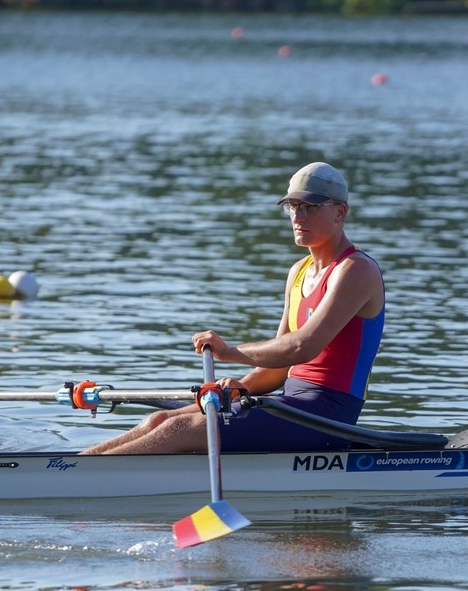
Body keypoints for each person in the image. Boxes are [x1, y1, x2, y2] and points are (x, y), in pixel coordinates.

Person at [81, 162, 384, 455]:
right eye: (293, 207)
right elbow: (278, 367)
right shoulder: (299, 271)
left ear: (340, 212)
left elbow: (301, 348)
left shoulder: (355, 270)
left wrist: (228, 353)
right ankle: (71, 468)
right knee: (159, 420)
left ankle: (75, 480)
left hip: (328, 416)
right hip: (292, 404)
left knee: (181, 428)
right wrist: (245, 385)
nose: (298, 216)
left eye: (311, 207)